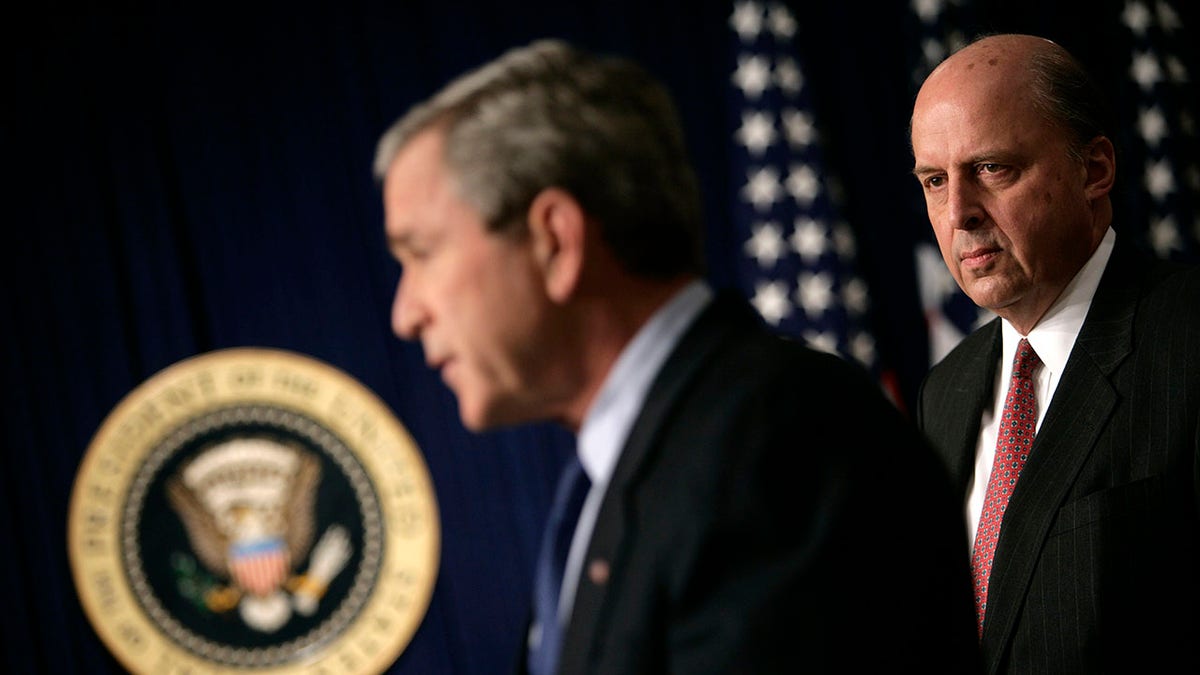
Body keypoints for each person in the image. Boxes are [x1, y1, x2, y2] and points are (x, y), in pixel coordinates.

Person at [374, 38, 980, 674]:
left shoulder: (780, 449)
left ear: (555, 241)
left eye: (421, 253)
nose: (406, 313)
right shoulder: (619, 476)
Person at [911, 33, 1200, 674]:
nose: (959, 213)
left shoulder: (1189, 339)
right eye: (934, 180)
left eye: (992, 168)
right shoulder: (946, 390)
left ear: (1093, 170)